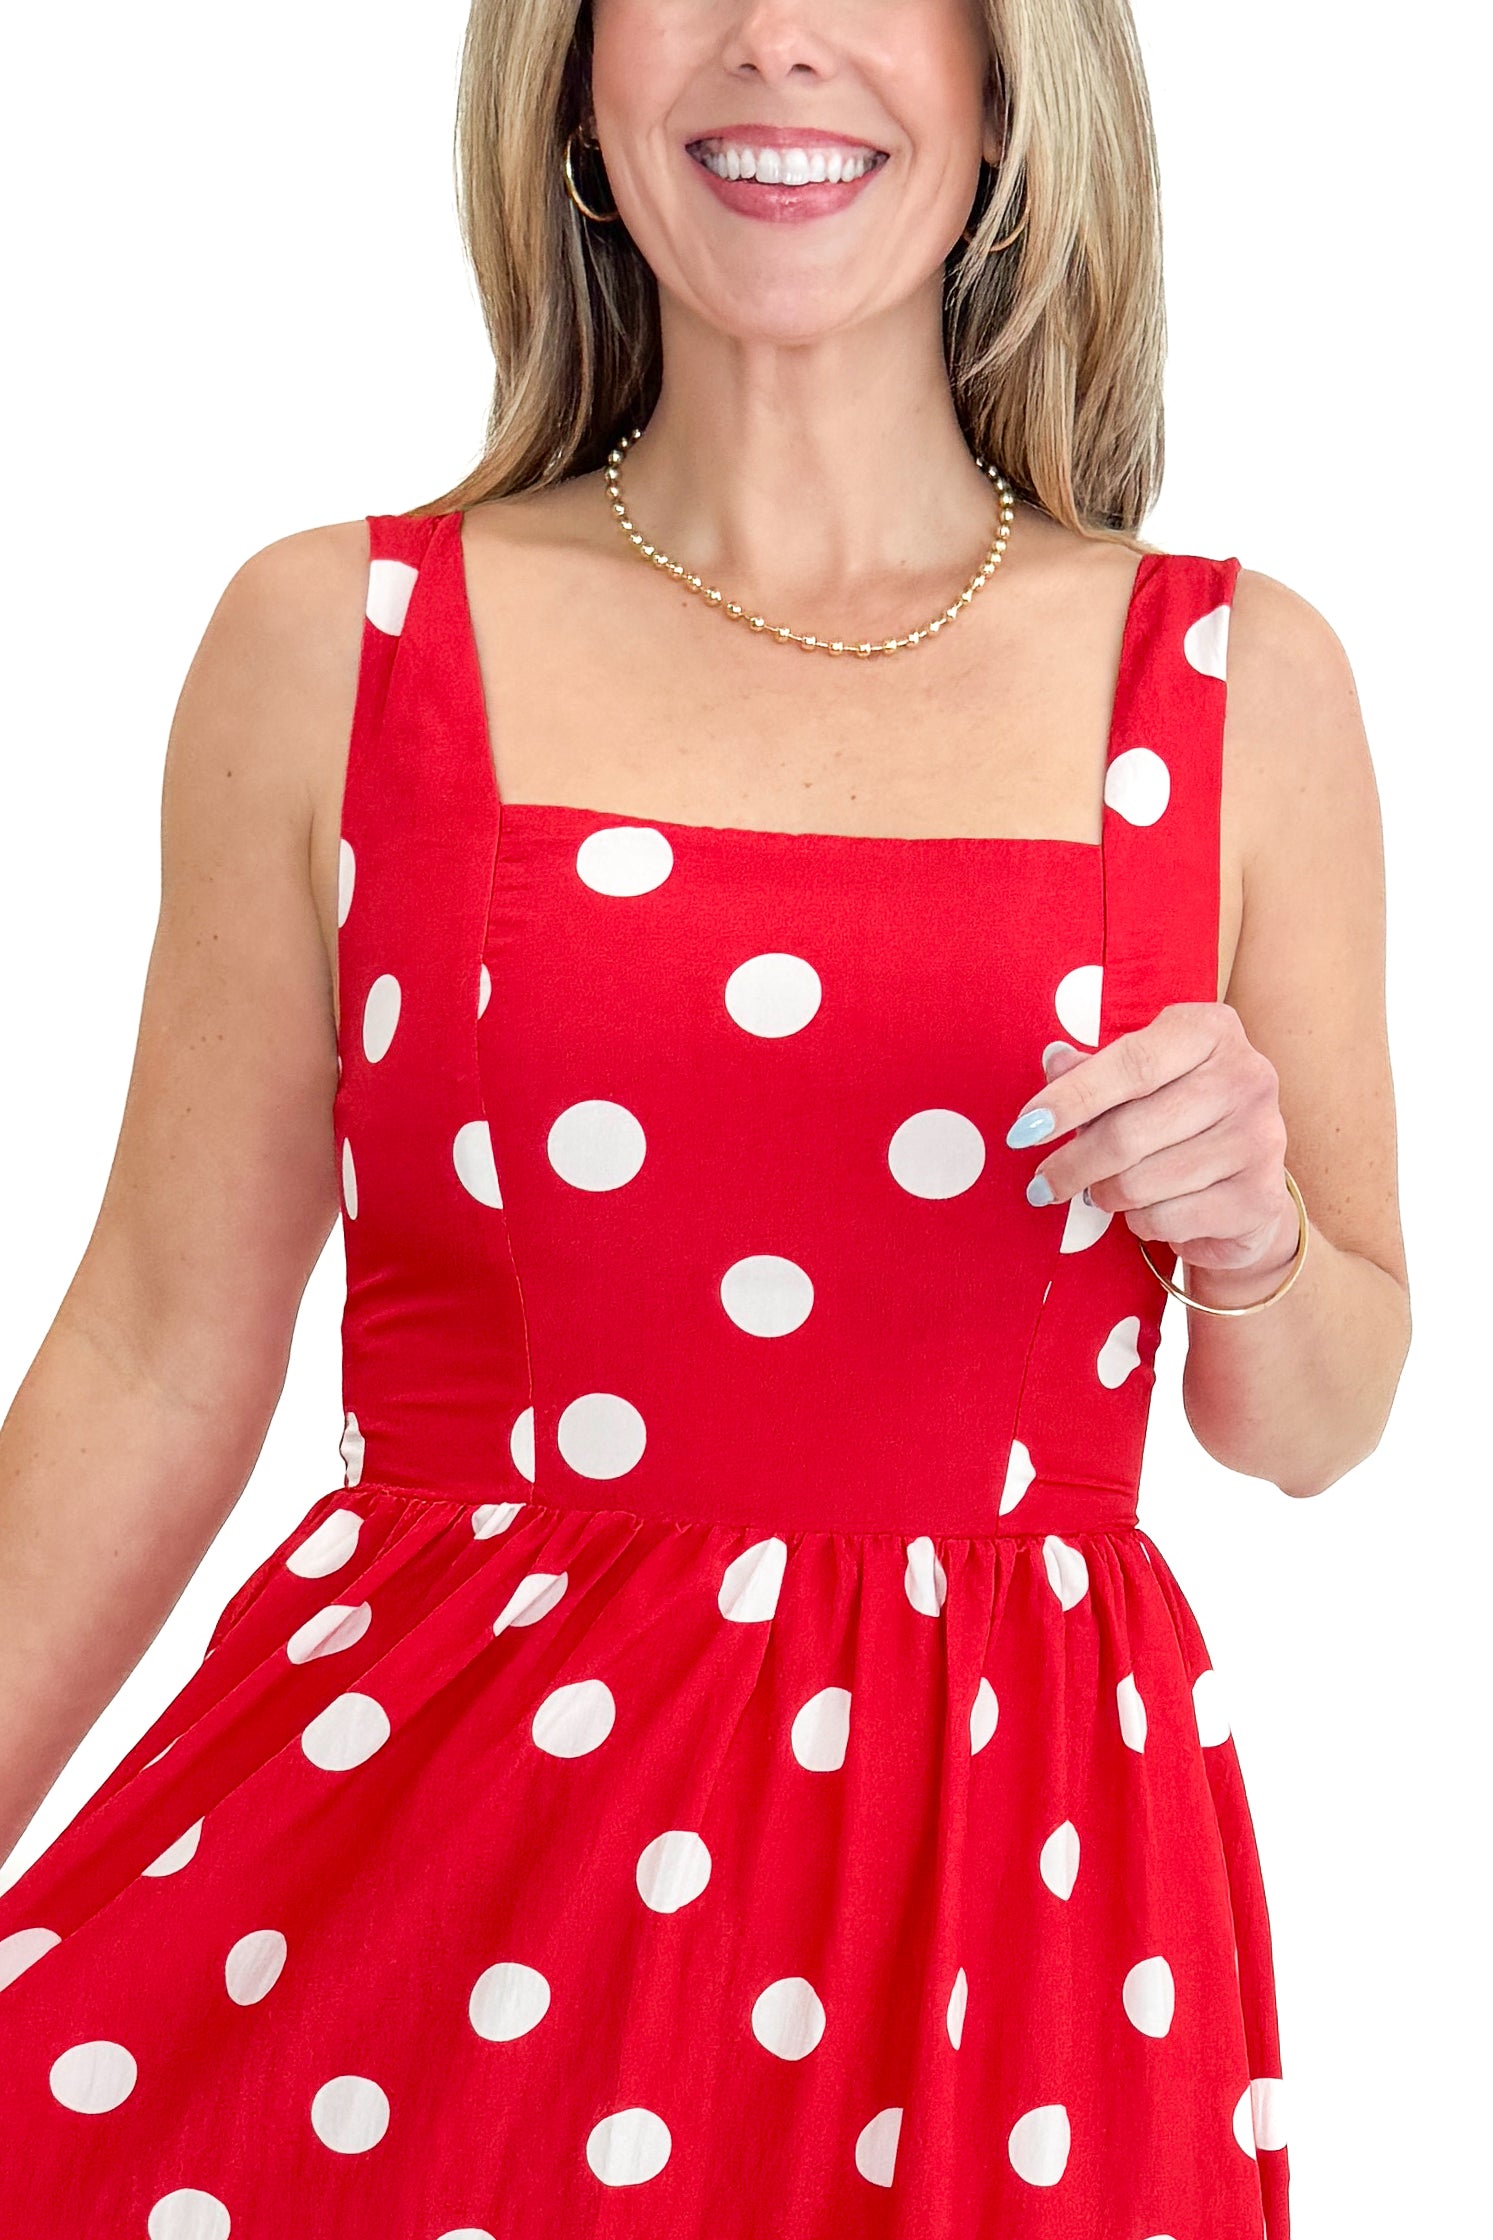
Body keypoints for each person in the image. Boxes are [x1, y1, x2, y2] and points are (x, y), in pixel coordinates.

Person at [0, 0, 1409, 2233]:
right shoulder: (341, 642)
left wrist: (1250, 1235)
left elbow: (1323, 1410)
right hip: (434, 1903)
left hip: (1009, 1920)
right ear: (569, 68)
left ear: (1005, 71)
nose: (776, 44)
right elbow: (159, 1352)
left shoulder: (1235, 685)